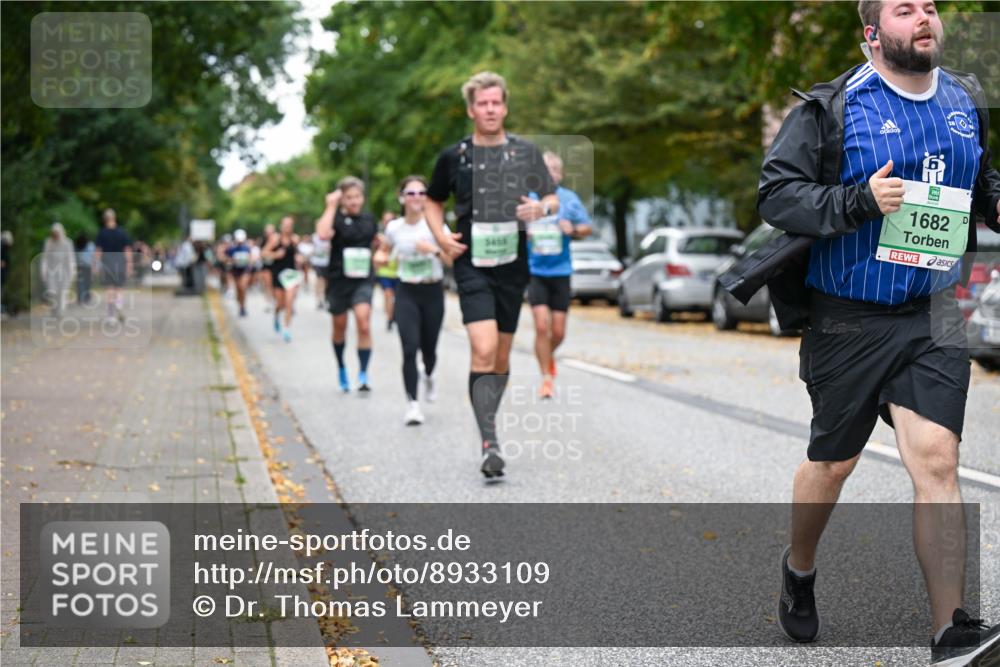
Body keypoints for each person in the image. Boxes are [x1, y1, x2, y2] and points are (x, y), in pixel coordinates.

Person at [753, 2, 1000, 664]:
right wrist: (859, 200)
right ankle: (799, 567)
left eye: (929, 5)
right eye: (904, 8)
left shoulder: (963, 100)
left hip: (933, 312)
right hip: (849, 318)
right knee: (834, 462)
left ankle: (950, 631)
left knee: (938, 459)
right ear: (871, 34)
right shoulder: (831, 108)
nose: (923, 16)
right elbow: (776, 195)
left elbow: (978, 183)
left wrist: (997, 202)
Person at [425, 71, 559, 479]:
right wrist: (441, 236)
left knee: (500, 358)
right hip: (470, 262)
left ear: (504, 106)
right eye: (482, 104)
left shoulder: (525, 153)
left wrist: (542, 209)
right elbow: (433, 201)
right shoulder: (455, 157)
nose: (489, 109)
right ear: (471, 109)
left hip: (513, 265)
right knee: (482, 349)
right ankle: (489, 439)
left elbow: (552, 196)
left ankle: (489, 422)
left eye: (496, 103)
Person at [375, 175, 451, 426]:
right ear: (402, 198)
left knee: (429, 351)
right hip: (406, 292)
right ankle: (413, 405)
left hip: (432, 292)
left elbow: (452, 260)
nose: (416, 197)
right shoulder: (394, 227)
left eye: (421, 193)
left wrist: (435, 250)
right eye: (411, 193)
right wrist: (380, 258)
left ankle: (429, 375)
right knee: (409, 348)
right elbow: (384, 251)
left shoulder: (436, 226)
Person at [528, 151, 593, 399]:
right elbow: (512, 225)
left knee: (558, 332)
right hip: (535, 271)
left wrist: (573, 228)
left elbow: (587, 227)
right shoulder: (529, 199)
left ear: (561, 174)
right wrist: (525, 232)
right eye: (545, 169)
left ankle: (548, 355)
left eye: (554, 170)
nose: (550, 174)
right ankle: (546, 377)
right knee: (541, 326)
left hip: (561, 271)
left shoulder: (569, 199)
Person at [316, 176, 378, 393]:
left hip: (363, 279)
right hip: (338, 281)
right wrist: (330, 205)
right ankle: (342, 367)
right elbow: (323, 233)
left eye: (357, 196)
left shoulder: (370, 220)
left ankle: (363, 374)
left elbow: (376, 244)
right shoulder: (335, 218)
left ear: (362, 198)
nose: (353, 201)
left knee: (363, 322)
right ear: (342, 200)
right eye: (349, 197)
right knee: (339, 326)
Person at [262, 216, 301, 342]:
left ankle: (286, 329)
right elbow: (263, 253)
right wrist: (275, 255)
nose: (287, 227)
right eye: (285, 225)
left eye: (290, 225)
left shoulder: (295, 239)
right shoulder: (275, 239)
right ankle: (277, 314)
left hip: (291, 274)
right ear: (281, 226)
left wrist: (300, 258)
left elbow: (298, 254)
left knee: (289, 302)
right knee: (280, 304)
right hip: (278, 273)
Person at [93, 208, 133, 323]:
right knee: (119, 288)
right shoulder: (122, 232)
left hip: (107, 263)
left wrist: (95, 265)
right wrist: (129, 264)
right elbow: (127, 249)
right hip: (120, 262)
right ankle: (119, 304)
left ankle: (111, 316)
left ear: (105, 219)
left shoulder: (102, 233)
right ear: (114, 218)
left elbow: (98, 251)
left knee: (110, 289)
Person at [41, 222, 75, 318]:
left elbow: (71, 258)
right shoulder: (48, 242)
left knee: (62, 292)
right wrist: (43, 270)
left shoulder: (68, 242)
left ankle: (60, 312)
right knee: (52, 292)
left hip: (64, 271)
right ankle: (54, 309)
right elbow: (45, 258)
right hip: (51, 271)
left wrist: (72, 271)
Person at [376, 211, 400, 330]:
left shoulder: (401, 234)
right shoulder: (381, 238)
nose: (388, 223)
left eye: (390, 220)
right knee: (388, 295)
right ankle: (389, 318)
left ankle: (394, 314)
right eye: (386, 220)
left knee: (397, 298)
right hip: (385, 272)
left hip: (399, 273)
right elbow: (376, 256)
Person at [225, 229, 253, 317]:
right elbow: (225, 258)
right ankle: (240, 305)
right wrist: (231, 260)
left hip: (245, 270)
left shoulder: (247, 248)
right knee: (238, 289)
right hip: (236, 271)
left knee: (243, 287)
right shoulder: (231, 249)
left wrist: (249, 261)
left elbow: (251, 258)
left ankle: (243, 306)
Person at [309, 229, 331, 310]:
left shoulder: (330, 235)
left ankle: (325, 298)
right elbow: (311, 248)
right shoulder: (315, 237)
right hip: (317, 262)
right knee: (319, 279)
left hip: (328, 262)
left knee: (326, 281)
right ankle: (318, 300)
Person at [73, 231, 95, 305]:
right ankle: (86, 297)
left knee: (80, 282)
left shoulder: (77, 245)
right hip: (88, 265)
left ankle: (80, 298)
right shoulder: (90, 245)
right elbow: (93, 256)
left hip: (79, 265)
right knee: (87, 282)